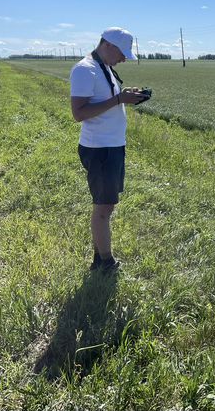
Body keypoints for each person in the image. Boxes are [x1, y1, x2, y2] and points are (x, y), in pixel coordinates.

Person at [69, 27, 147, 271]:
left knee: (107, 204)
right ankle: (104, 261)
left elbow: (107, 102)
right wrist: (118, 100)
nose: (124, 58)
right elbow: (78, 113)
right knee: (103, 207)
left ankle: (99, 255)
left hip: (111, 146)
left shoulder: (105, 69)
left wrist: (126, 96)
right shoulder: (85, 69)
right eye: (122, 53)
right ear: (108, 45)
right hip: (100, 149)